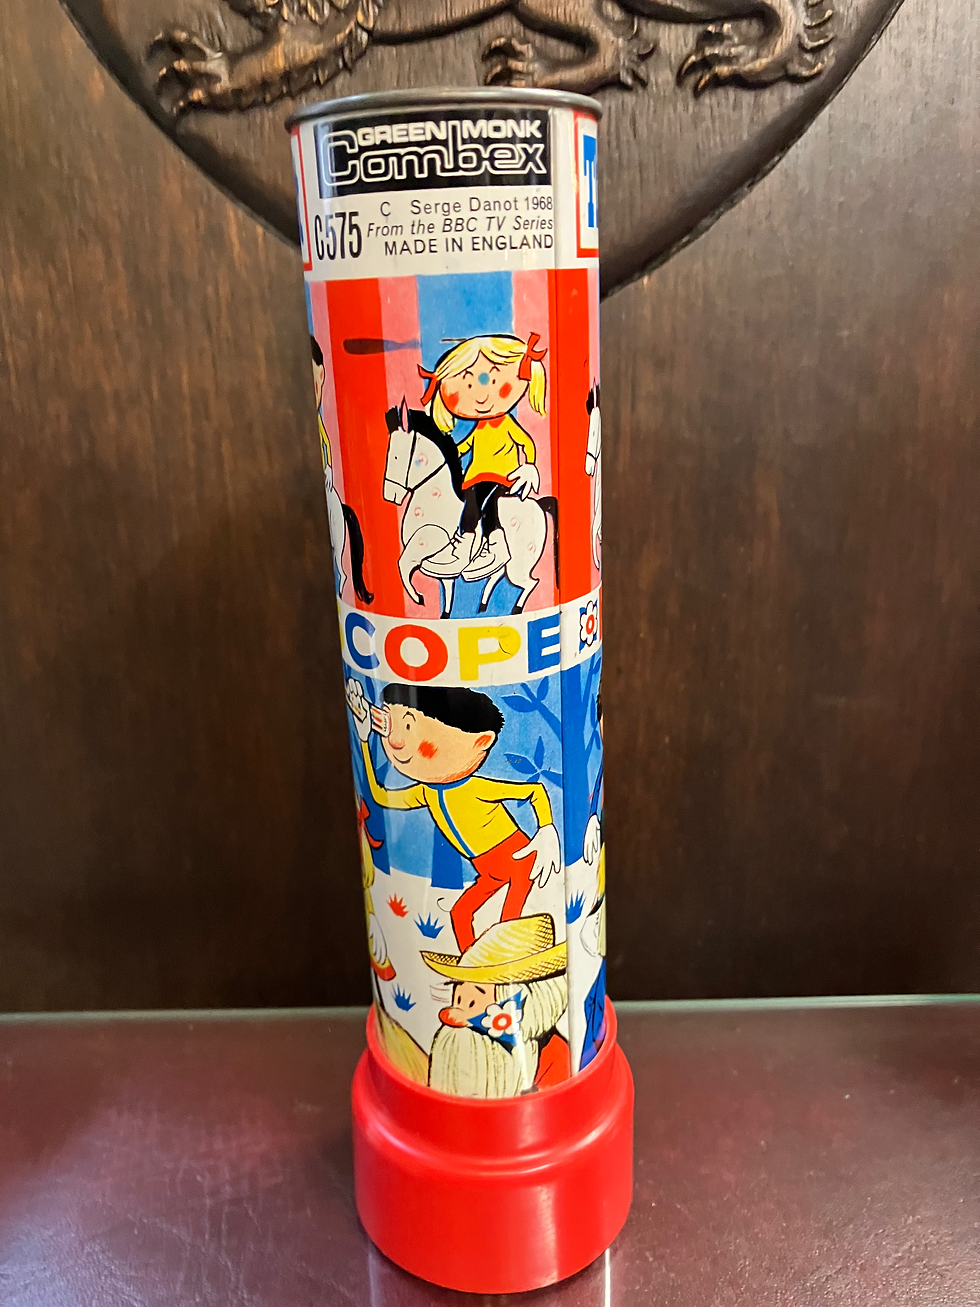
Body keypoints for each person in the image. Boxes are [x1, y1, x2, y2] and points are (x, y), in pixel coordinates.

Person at [346, 679, 561, 952]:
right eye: (391, 725)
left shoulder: (476, 787)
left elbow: (534, 791)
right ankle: (472, 962)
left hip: (519, 859)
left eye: (410, 727)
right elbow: (380, 795)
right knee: (460, 913)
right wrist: (365, 740)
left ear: (480, 741)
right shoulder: (426, 793)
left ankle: (509, 961)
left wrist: (546, 828)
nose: (396, 742)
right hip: (486, 868)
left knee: (508, 924)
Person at [417, 333, 547, 582]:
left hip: (502, 475)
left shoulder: (505, 423)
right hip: (477, 476)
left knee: (488, 506)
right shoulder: (481, 426)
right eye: (467, 385)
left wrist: (529, 465)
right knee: (471, 502)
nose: (480, 395)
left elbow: (526, 443)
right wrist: (447, 453)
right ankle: (465, 544)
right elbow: (466, 445)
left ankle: (495, 544)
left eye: (493, 380)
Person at [422, 914, 569, 1097]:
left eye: (479, 992)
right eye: (459, 986)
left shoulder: (553, 1058)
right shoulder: (451, 1050)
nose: (460, 1002)